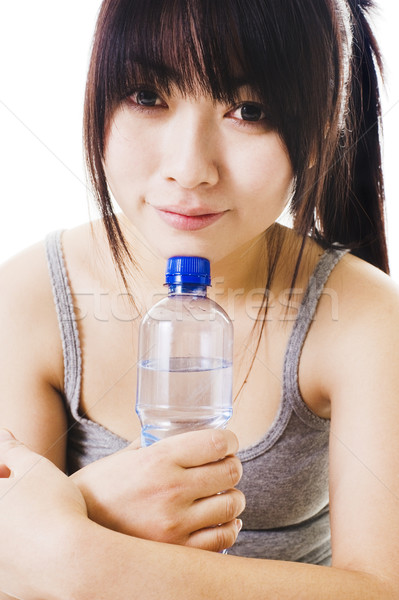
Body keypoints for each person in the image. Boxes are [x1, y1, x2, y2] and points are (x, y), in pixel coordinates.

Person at [1, 0, 399, 597]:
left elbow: (380, 586)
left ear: (319, 130)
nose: (189, 170)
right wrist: (92, 508)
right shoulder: (30, 297)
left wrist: (78, 554)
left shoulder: (364, 318)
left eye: (249, 110)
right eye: (147, 96)